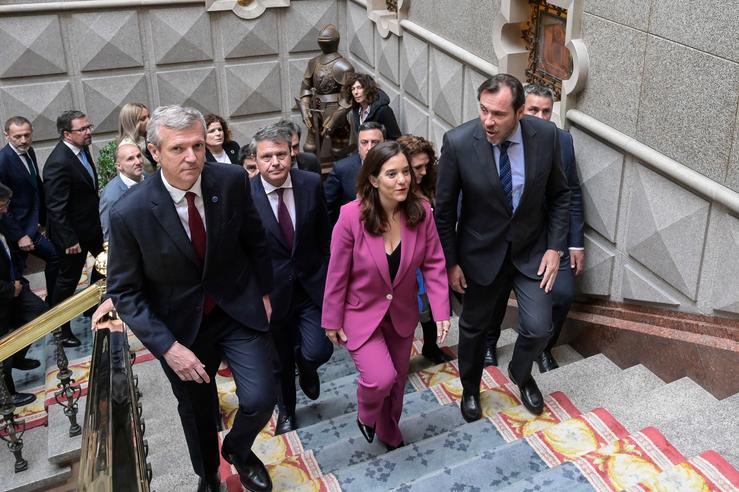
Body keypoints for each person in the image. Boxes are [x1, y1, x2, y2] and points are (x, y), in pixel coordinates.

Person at [107, 106, 275, 492]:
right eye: (178, 148)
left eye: (198, 145)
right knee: (198, 413)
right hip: (180, 330)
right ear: (154, 152)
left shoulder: (232, 180)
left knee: (261, 398)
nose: (192, 157)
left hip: (235, 311)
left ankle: (238, 450)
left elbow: (255, 241)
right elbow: (125, 291)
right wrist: (167, 347)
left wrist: (263, 293)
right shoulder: (129, 212)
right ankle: (209, 477)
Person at [435, 74, 570, 418]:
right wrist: (450, 263)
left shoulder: (548, 137)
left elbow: (560, 195)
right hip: (479, 256)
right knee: (473, 330)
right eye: (483, 111)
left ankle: (521, 374)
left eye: (498, 114)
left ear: (520, 111)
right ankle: (469, 389)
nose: (488, 121)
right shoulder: (459, 142)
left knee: (540, 327)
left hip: (532, 253)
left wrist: (555, 247)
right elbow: (445, 211)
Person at [322, 141, 451, 450]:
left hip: (402, 313)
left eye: (406, 172)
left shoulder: (422, 213)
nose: (403, 180)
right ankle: (366, 415)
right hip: (360, 312)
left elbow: (434, 263)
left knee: (396, 383)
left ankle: (388, 428)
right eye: (392, 174)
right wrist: (331, 318)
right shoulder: (350, 217)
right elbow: (337, 273)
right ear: (373, 179)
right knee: (380, 378)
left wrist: (441, 309)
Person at [484, 84, 585, 372]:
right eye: (533, 110)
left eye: (546, 111)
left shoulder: (561, 141)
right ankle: (489, 343)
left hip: (549, 239)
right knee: (496, 294)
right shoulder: (497, 136)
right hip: (505, 238)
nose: (540, 117)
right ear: (518, 111)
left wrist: (575, 243)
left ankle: (543, 349)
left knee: (563, 294)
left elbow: (571, 192)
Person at [249, 125, 333, 435]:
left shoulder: (310, 183)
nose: (275, 162)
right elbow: (241, 253)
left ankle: (307, 365)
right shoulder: (245, 195)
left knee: (319, 350)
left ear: (291, 153)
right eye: (266, 156)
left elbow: (325, 237)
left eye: (281, 154)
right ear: (256, 161)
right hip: (271, 295)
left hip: (311, 287)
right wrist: (257, 295)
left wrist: (328, 280)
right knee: (278, 360)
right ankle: (286, 410)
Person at [43, 110, 104, 348]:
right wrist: (69, 239)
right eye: (83, 129)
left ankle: (91, 305)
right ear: (67, 134)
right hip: (71, 236)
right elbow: (55, 207)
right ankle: (61, 327)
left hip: (91, 227)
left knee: (106, 263)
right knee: (67, 281)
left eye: (89, 127)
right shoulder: (58, 162)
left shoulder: (82, 149)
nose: (89, 132)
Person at [396, 134, 451, 365]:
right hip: (403, 267)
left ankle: (430, 347)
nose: (424, 172)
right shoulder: (394, 192)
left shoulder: (430, 186)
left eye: (427, 165)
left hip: (430, 261)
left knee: (429, 314)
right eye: (417, 167)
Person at [0, 116, 59, 301]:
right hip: (18, 230)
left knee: (53, 258)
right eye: (17, 136)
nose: (23, 140)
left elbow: (36, 189)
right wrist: (19, 235)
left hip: (33, 225)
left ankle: (51, 304)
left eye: (27, 135)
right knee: (15, 277)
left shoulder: (29, 151)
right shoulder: (3, 161)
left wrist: (45, 222)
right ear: (6, 136)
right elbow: (1, 206)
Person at [0, 183, 46, 407]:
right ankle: (7, 395)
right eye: (3, 204)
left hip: (14, 283)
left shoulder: (2, 217)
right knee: (3, 342)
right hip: (4, 293)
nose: (6, 208)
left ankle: (18, 357)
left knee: (39, 312)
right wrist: (10, 289)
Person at [298, 24, 354, 157]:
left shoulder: (344, 66)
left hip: (335, 109)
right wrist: (305, 111)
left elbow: (348, 98)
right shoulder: (314, 62)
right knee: (310, 148)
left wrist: (334, 119)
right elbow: (305, 89)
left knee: (338, 151)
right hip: (315, 109)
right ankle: (312, 176)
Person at [323, 121, 385, 224]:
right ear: (358, 144)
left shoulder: (394, 166)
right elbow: (328, 209)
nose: (369, 148)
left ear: (384, 143)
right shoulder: (342, 169)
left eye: (375, 142)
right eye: (364, 142)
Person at [99, 143, 144, 243]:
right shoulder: (111, 196)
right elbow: (109, 237)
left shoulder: (150, 179)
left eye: (139, 156)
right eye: (130, 159)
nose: (138, 162)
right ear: (119, 166)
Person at [343, 72, 401, 144]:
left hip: (379, 153)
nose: (356, 92)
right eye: (353, 89)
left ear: (368, 89)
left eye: (359, 88)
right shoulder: (356, 110)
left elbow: (395, 138)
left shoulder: (383, 110)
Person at [117, 102, 155, 174]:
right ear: (132, 123)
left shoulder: (142, 139)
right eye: (143, 119)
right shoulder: (127, 146)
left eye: (148, 116)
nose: (149, 121)